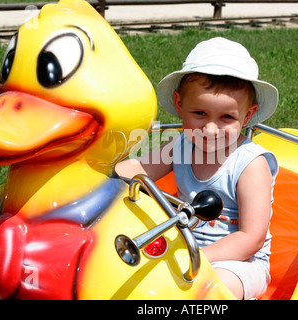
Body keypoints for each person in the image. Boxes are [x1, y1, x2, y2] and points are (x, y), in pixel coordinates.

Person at [115, 37, 279, 300]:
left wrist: (198, 258)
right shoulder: (180, 145)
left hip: (239, 263)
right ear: (180, 105)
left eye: (226, 117)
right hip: (184, 247)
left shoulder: (250, 164)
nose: (210, 129)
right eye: (199, 113)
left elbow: (251, 238)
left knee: (212, 290)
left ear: (248, 116)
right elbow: (138, 169)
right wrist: (99, 176)